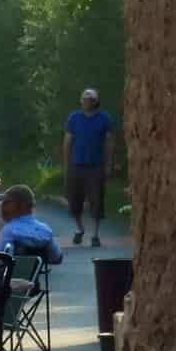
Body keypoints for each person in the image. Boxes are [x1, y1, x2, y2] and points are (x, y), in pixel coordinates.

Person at [64, 88, 115, 247]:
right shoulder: (74, 118)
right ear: (81, 101)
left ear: (96, 101)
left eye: (91, 99)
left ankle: (95, 235)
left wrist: (108, 164)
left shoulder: (104, 118)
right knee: (74, 200)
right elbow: (67, 141)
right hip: (76, 165)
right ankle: (80, 229)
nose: (87, 101)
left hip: (96, 165)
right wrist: (67, 164)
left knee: (97, 200)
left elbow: (109, 142)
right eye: (85, 98)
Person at [0, 184, 63, 264]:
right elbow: (57, 258)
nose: (1, 206)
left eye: (6, 202)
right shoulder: (45, 230)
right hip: (34, 274)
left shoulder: (9, 231)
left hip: (13, 274)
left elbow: (3, 262)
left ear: (22, 205)